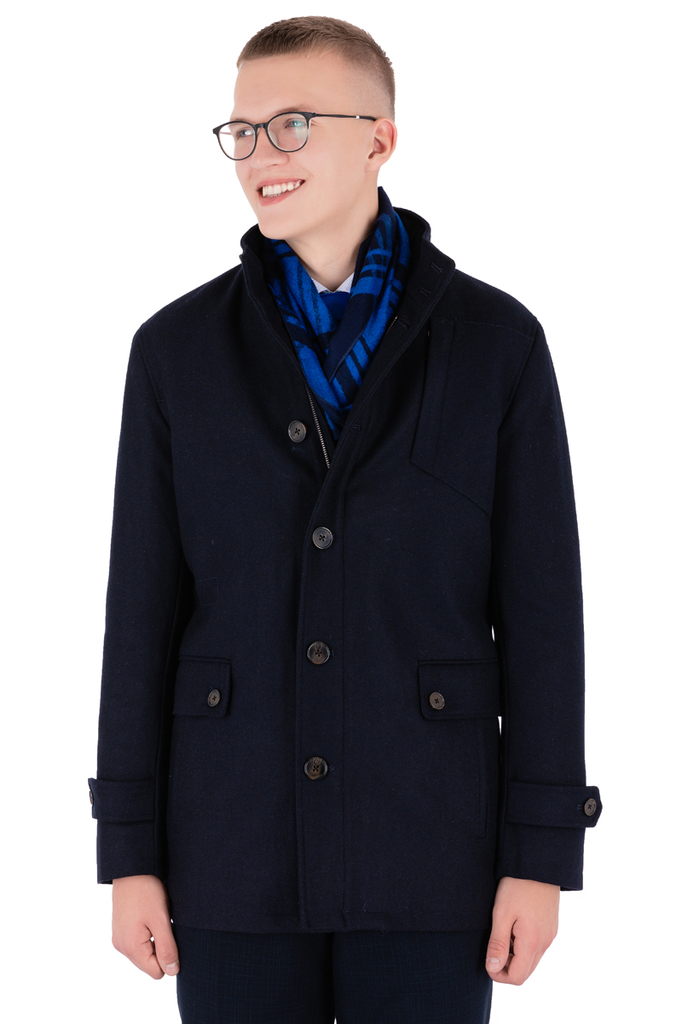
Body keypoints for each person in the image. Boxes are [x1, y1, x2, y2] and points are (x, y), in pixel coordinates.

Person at [88, 16, 602, 1024]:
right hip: (229, 849)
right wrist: (129, 854)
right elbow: (138, 617)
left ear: (380, 139)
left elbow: (544, 618)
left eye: (291, 125)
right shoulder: (176, 352)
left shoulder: (496, 345)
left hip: (432, 848)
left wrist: (541, 856)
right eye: (242, 132)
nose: (259, 156)